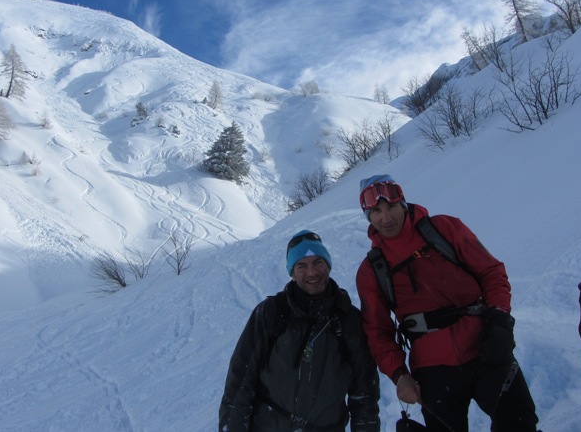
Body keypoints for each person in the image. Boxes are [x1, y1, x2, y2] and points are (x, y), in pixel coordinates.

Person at [355, 175, 539, 431]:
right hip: (433, 369)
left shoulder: (444, 229)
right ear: (368, 216)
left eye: (392, 207)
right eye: (376, 211)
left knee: (520, 424)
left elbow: (491, 273)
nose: (386, 218)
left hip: (486, 347)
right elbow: (377, 332)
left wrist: (500, 322)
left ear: (403, 204)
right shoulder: (372, 269)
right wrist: (399, 375)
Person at [219, 230, 380, 431]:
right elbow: (240, 380)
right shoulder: (271, 313)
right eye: (302, 266)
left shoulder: (348, 319)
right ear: (292, 273)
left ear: (328, 266)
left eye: (318, 262)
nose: (312, 273)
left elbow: (364, 393)